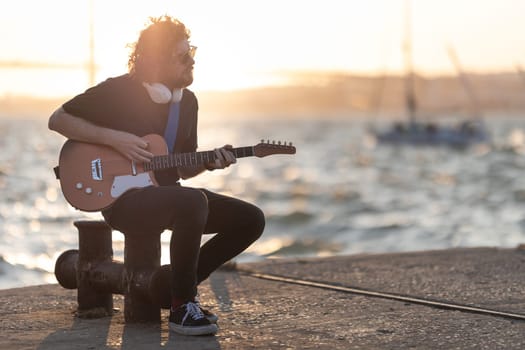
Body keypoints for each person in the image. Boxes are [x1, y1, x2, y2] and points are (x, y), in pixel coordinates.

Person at [48, 15, 265, 336]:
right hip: (123, 202)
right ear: (156, 60)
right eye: (182, 55)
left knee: (250, 219)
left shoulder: (186, 102)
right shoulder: (119, 90)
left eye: (191, 51)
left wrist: (210, 162)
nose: (191, 60)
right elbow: (58, 119)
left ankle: (168, 284)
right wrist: (115, 139)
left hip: (166, 196)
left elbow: (180, 167)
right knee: (192, 202)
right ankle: (182, 305)